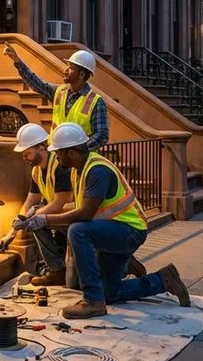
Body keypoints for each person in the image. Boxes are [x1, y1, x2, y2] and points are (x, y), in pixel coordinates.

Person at [14, 123, 190, 319]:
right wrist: (39, 218)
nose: (56, 156)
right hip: (112, 231)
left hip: (129, 231)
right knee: (108, 293)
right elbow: (79, 210)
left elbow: (85, 215)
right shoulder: (77, 170)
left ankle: (92, 301)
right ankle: (163, 280)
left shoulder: (97, 171)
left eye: (59, 152)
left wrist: (45, 219)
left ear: (72, 152)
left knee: (77, 231)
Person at [0, 124, 147, 286]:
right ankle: (58, 271)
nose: (56, 156)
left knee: (75, 247)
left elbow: (76, 211)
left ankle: (122, 266)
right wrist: (14, 230)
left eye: (27, 152)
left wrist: (41, 218)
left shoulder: (90, 170)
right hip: (91, 222)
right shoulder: (68, 169)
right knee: (101, 290)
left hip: (117, 227)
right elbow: (31, 202)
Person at [3, 44, 108, 151]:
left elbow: (101, 135)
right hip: (57, 154)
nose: (66, 70)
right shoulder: (59, 92)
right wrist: (18, 61)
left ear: (81, 74)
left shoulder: (95, 102)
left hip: (79, 159)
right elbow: (37, 84)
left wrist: (79, 151)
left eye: (71, 68)